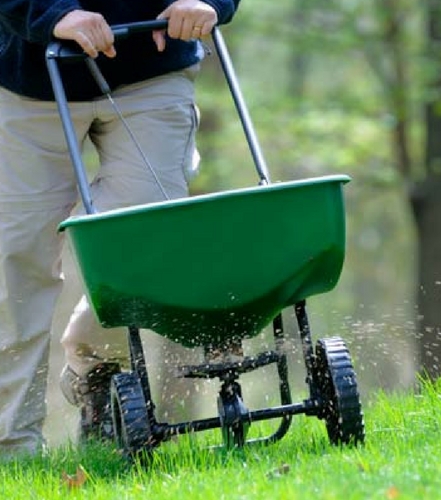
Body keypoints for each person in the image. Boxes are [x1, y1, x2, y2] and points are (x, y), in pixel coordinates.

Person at [0, 0, 240, 458]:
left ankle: (97, 370)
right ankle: (11, 449)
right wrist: (49, 14)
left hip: (152, 71)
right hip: (28, 76)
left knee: (144, 246)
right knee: (16, 263)